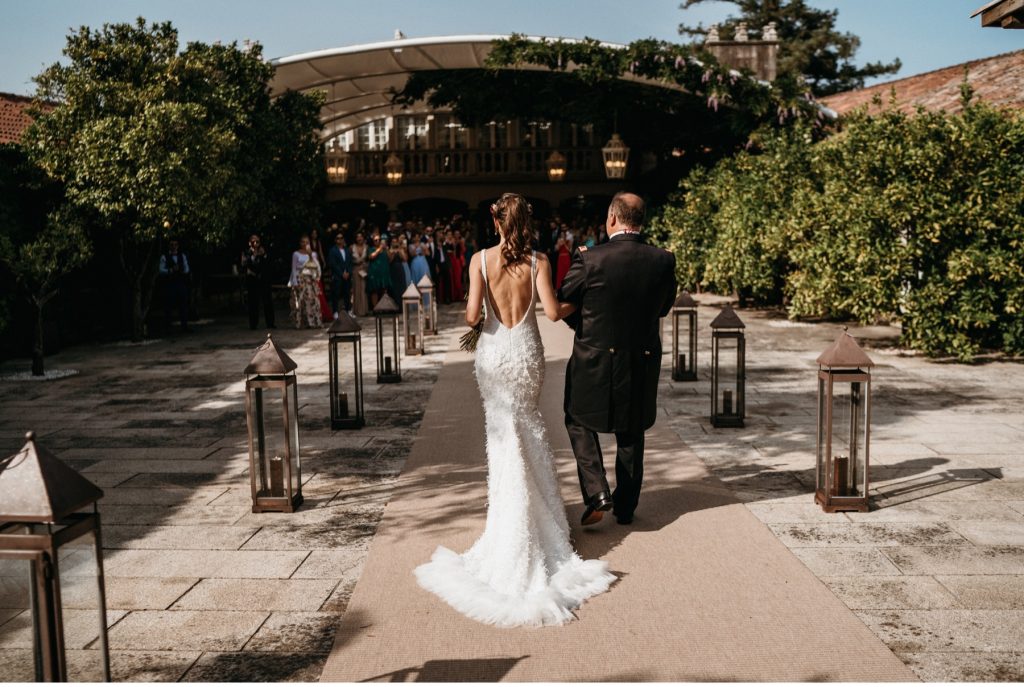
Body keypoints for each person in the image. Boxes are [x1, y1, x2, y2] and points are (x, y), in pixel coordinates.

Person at [415, 192, 614, 628]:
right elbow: (554, 311)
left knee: (502, 435)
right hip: (525, 353)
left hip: (494, 353)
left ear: (496, 222)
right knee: (529, 426)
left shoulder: (479, 260)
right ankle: (545, 527)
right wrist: (585, 302)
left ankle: (512, 527)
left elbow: (471, 318)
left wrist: (481, 313)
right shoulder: (539, 261)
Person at [557, 192, 677, 527]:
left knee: (577, 419)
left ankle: (597, 492)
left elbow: (565, 300)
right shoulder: (664, 260)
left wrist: (583, 323)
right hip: (642, 357)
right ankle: (625, 506)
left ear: (612, 217)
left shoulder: (590, 259)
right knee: (631, 428)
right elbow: (664, 307)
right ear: (641, 221)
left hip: (594, 358)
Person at [240, 233, 275, 330]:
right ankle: (253, 324)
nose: (255, 243)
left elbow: (269, 263)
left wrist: (263, 255)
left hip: (263, 279)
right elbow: (244, 264)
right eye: (253, 241)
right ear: (249, 243)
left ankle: (270, 323)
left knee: (267, 301)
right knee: (253, 303)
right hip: (252, 280)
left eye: (257, 241)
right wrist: (253, 256)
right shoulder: (246, 252)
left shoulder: (263, 251)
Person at [288, 235, 323, 329]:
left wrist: (310, 255)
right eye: (303, 242)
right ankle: (301, 323)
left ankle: (312, 322)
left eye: (307, 242)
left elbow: (316, 267)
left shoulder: (314, 254)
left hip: (311, 281)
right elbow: (294, 268)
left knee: (312, 301)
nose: (305, 244)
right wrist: (295, 282)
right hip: (300, 279)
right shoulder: (296, 254)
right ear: (300, 243)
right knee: (301, 301)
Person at [159, 239, 190, 333]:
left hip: (180, 282)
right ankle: (168, 327)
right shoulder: (164, 256)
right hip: (169, 284)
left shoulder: (182, 256)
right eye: (172, 245)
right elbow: (161, 270)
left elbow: (186, 269)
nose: (174, 247)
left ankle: (184, 326)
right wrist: (170, 270)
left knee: (183, 304)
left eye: (175, 244)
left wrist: (181, 270)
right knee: (168, 305)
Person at [328, 232, 352, 318]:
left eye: (341, 238)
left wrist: (348, 272)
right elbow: (333, 264)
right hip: (338, 276)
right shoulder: (332, 251)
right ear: (335, 240)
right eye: (338, 238)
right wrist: (342, 273)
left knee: (347, 294)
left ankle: (348, 310)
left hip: (347, 275)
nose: (340, 240)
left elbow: (349, 262)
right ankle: (335, 312)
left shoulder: (347, 250)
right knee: (336, 294)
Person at [365, 229, 391, 309]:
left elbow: (390, 259)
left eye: (379, 240)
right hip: (374, 273)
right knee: (374, 291)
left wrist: (386, 249)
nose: (378, 241)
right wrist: (379, 249)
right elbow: (371, 257)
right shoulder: (371, 249)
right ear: (373, 241)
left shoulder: (385, 249)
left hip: (384, 272)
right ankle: (375, 308)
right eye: (376, 240)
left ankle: (384, 307)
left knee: (384, 290)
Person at [350, 231, 369, 316]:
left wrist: (366, 265)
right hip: (355, 269)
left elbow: (369, 259)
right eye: (357, 237)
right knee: (356, 289)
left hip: (364, 270)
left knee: (363, 289)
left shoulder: (367, 247)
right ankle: (356, 310)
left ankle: (364, 310)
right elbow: (349, 260)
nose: (359, 238)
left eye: (360, 236)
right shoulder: (352, 247)